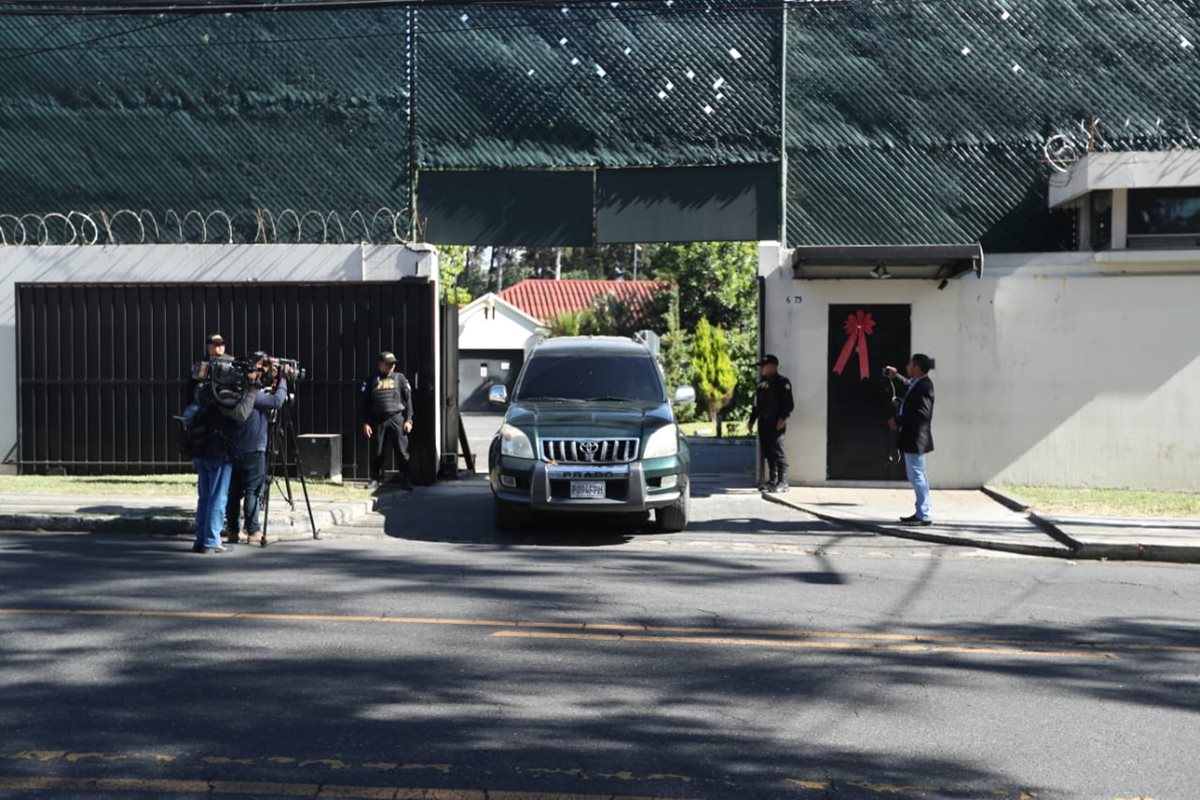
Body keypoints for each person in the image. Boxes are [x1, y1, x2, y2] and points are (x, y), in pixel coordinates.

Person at [224, 354, 288, 545]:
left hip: (234, 448)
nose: (257, 374)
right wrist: (283, 380)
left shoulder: (231, 392)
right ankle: (254, 531)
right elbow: (277, 401)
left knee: (234, 493)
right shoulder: (253, 394)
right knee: (253, 491)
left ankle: (233, 531)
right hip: (253, 449)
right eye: (254, 371)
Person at [886, 354, 936, 526]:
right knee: (918, 475)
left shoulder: (924, 386)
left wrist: (898, 421)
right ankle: (922, 511)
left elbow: (922, 414)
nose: (907, 367)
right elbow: (908, 384)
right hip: (913, 438)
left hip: (916, 438)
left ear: (917, 367)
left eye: (910, 364)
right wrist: (896, 376)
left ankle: (924, 514)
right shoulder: (918, 384)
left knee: (917, 476)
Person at [190, 383, 236, 554]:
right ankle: (212, 540)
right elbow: (242, 414)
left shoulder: (202, 396)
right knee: (218, 497)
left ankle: (201, 538)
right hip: (219, 454)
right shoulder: (224, 398)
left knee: (204, 498)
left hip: (202, 453)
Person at [362, 351, 414, 491]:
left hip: (397, 418)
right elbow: (365, 403)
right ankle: (375, 479)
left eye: (393, 364)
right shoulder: (372, 379)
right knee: (377, 451)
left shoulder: (400, 378)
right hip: (378, 419)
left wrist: (409, 420)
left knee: (402, 451)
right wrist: (366, 422)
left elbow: (408, 400)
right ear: (380, 364)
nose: (391, 366)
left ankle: (406, 480)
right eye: (388, 364)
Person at [748, 354, 794, 494]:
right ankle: (772, 480)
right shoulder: (761, 384)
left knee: (777, 451)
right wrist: (752, 420)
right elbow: (756, 405)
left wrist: (782, 418)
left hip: (776, 421)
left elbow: (789, 404)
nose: (761, 368)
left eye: (764, 366)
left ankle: (783, 481)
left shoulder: (782, 383)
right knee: (768, 452)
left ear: (772, 367)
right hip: (763, 421)